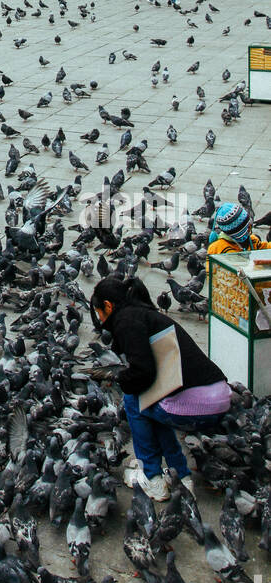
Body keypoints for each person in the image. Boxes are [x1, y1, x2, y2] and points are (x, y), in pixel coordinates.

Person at [91, 276, 230, 500]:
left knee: (134, 400)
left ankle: (152, 477)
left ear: (108, 306)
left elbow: (142, 373)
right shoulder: (146, 314)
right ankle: (180, 476)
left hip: (199, 403)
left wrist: (118, 377)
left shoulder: (127, 320)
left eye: (99, 313)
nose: (99, 319)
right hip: (220, 395)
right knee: (155, 404)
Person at [206, 202, 271, 272]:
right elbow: (245, 270)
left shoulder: (251, 240)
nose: (250, 228)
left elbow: (264, 249)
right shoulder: (221, 249)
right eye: (247, 227)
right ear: (238, 231)